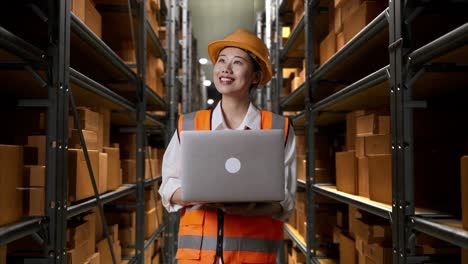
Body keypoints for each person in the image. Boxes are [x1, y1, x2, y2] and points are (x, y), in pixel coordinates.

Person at [159, 28, 297, 264]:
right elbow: (168, 188)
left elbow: (286, 201)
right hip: (197, 259)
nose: (226, 68)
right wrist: (202, 194)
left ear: (255, 76)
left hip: (253, 259)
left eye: (237, 62)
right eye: (221, 60)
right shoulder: (189, 124)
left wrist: (250, 209)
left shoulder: (278, 129)